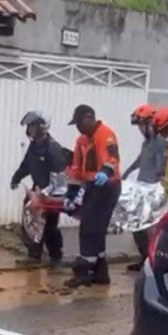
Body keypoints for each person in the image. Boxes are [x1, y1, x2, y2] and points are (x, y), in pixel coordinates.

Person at [63, 104, 121, 287]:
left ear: (89, 118)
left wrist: (105, 171)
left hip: (107, 187)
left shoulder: (105, 134)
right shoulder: (82, 140)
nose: (78, 127)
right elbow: (76, 169)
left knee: (89, 228)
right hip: (92, 186)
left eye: (79, 123)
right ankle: (100, 272)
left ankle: (84, 272)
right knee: (96, 229)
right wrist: (70, 193)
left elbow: (112, 159)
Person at [9, 111, 68, 266]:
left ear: (41, 127)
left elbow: (60, 176)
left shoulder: (53, 148)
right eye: (29, 126)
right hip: (37, 189)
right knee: (31, 221)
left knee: (49, 226)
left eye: (32, 126)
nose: (29, 129)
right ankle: (33, 255)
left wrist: (47, 193)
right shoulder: (34, 146)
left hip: (51, 192)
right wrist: (16, 178)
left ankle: (56, 256)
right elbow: (26, 165)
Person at [124, 104, 168, 272]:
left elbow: (161, 169)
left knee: (151, 230)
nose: (140, 129)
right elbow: (139, 162)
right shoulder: (147, 143)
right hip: (141, 190)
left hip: (152, 191)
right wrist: (124, 176)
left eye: (142, 125)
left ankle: (153, 261)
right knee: (137, 226)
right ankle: (144, 258)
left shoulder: (160, 144)